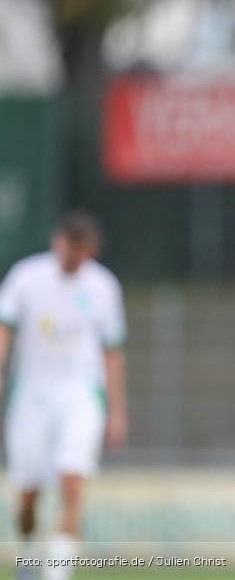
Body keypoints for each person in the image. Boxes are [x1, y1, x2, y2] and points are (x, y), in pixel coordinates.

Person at [0, 211, 128, 580]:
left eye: (83, 253)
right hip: (32, 396)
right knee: (28, 495)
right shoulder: (26, 277)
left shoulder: (104, 287)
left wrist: (117, 409)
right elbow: (5, 328)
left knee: (72, 481)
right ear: (58, 242)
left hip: (80, 396)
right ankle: (27, 555)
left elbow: (113, 351)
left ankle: (56, 575)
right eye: (71, 249)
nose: (75, 259)